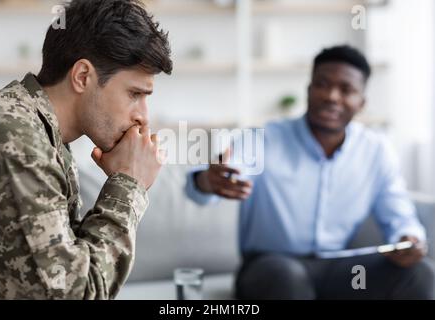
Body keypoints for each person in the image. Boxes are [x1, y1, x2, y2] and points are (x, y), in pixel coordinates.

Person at [185, 45, 434, 299]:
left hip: (339, 269)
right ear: (309, 90)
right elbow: (214, 181)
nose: (332, 96)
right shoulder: (263, 139)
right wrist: (210, 180)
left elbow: (399, 215)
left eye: (346, 90)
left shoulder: (376, 151)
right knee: (286, 277)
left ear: (361, 103)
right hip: (270, 267)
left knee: (420, 273)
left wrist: (409, 238)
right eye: (322, 84)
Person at [0, 0, 172, 299]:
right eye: (134, 94)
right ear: (83, 76)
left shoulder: (44, 133)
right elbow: (74, 293)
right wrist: (128, 184)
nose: (143, 117)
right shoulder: (17, 140)